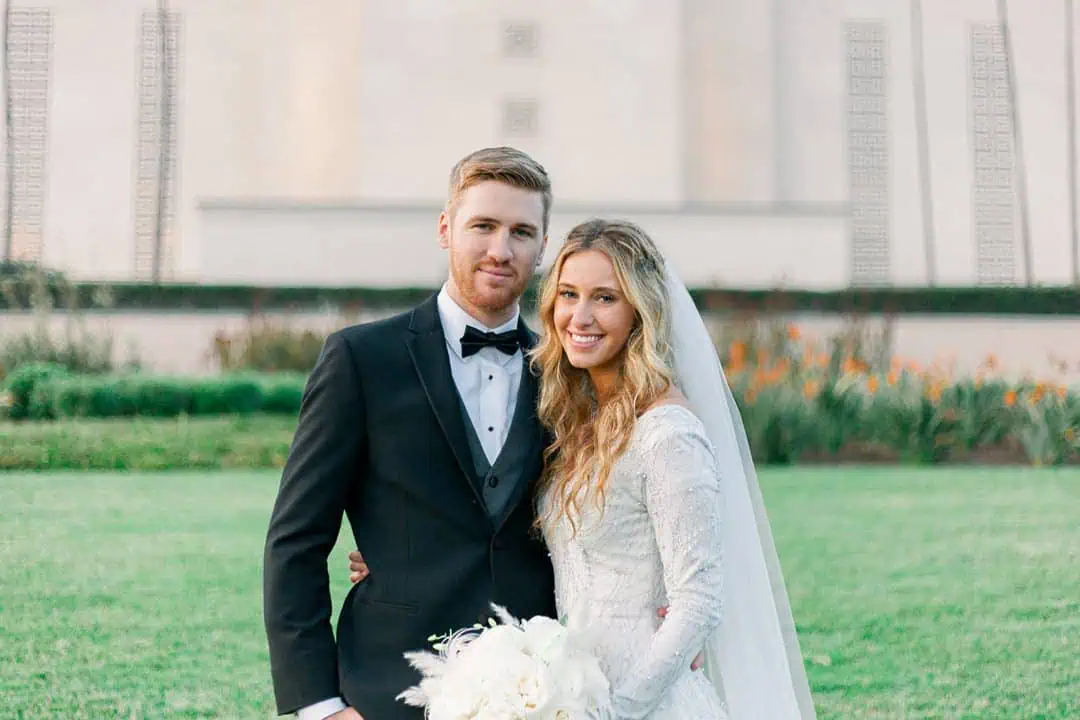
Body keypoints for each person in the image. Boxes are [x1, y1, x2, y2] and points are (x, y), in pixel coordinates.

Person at [349, 217, 818, 717]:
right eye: (569, 295)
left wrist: (618, 709)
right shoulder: (576, 420)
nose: (581, 316)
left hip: (643, 700)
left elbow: (698, 599)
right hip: (567, 690)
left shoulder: (667, 434)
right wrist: (403, 556)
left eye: (605, 298)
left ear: (642, 311)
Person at [262, 147, 557, 720]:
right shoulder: (360, 359)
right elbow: (295, 541)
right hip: (386, 690)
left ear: (544, 245)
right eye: (483, 226)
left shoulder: (567, 373)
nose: (501, 249)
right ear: (446, 229)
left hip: (540, 691)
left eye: (522, 231)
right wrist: (319, 707)